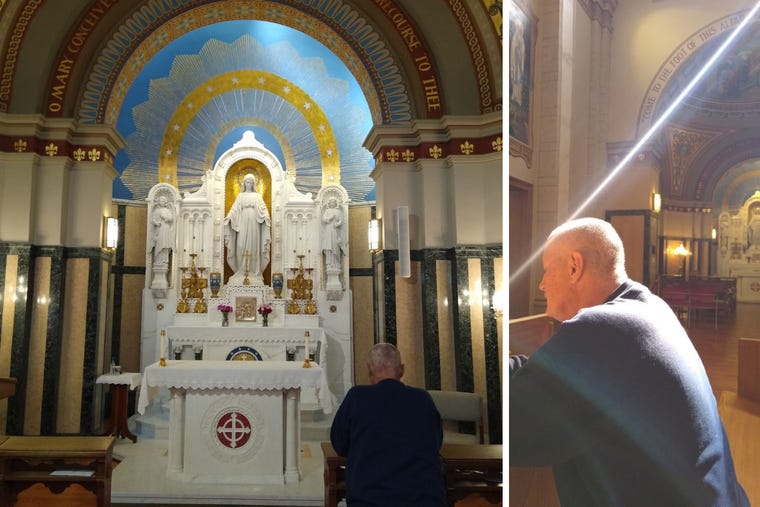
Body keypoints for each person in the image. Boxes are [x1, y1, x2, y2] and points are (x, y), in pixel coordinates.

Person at [510, 217, 748, 506]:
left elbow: (519, 430)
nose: (542, 284)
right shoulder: (649, 308)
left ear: (574, 266)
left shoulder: (601, 327)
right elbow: (562, 373)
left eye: (547, 271)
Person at [330, 343, 446, 507]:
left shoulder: (357, 397)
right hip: (424, 498)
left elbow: (339, 443)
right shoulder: (423, 399)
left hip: (370, 499)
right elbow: (435, 442)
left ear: (369, 370)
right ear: (402, 370)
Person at [224, 173, 271, 280]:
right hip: (242, 221)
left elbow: (263, 208)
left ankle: (254, 272)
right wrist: (229, 217)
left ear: (254, 184)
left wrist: (266, 217)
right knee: (240, 245)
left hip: (254, 221)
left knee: (254, 246)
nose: (249, 184)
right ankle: (241, 271)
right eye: (247, 182)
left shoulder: (257, 196)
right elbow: (235, 209)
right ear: (244, 183)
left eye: (251, 182)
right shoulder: (240, 196)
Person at [148, 195, 174, 287]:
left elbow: (171, 218)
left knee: (165, 248)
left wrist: (165, 217)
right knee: (158, 247)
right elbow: (153, 220)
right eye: (160, 201)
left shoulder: (167, 211)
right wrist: (156, 222)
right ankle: (158, 263)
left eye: (163, 201)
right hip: (159, 230)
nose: (162, 202)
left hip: (165, 230)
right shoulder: (156, 211)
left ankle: (164, 262)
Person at [321, 197, 345, 270]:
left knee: (335, 245)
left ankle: (336, 264)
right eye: (331, 202)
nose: (332, 203)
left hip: (335, 230)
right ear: (329, 203)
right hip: (329, 230)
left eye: (334, 202)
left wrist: (338, 224)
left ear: (336, 203)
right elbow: (324, 219)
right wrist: (330, 218)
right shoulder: (327, 211)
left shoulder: (338, 211)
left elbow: (341, 220)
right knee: (329, 247)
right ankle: (329, 264)